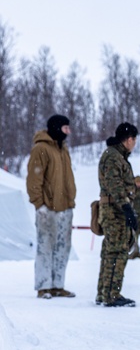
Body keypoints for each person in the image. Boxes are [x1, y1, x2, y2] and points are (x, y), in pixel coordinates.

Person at [26, 114, 77, 299]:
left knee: (63, 248)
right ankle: (43, 286)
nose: (68, 132)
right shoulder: (41, 148)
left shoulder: (63, 149)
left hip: (65, 207)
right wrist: (39, 204)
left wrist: (70, 201)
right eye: (65, 128)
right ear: (56, 128)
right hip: (47, 208)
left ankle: (57, 285)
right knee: (45, 247)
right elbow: (34, 179)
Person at [97, 122, 140, 307]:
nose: (135, 143)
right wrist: (126, 207)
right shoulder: (114, 157)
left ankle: (103, 293)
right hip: (115, 210)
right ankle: (112, 294)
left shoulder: (116, 155)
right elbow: (114, 184)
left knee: (111, 250)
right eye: (134, 140)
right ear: (128, 139)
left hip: (115, 208)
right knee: (118, 251)